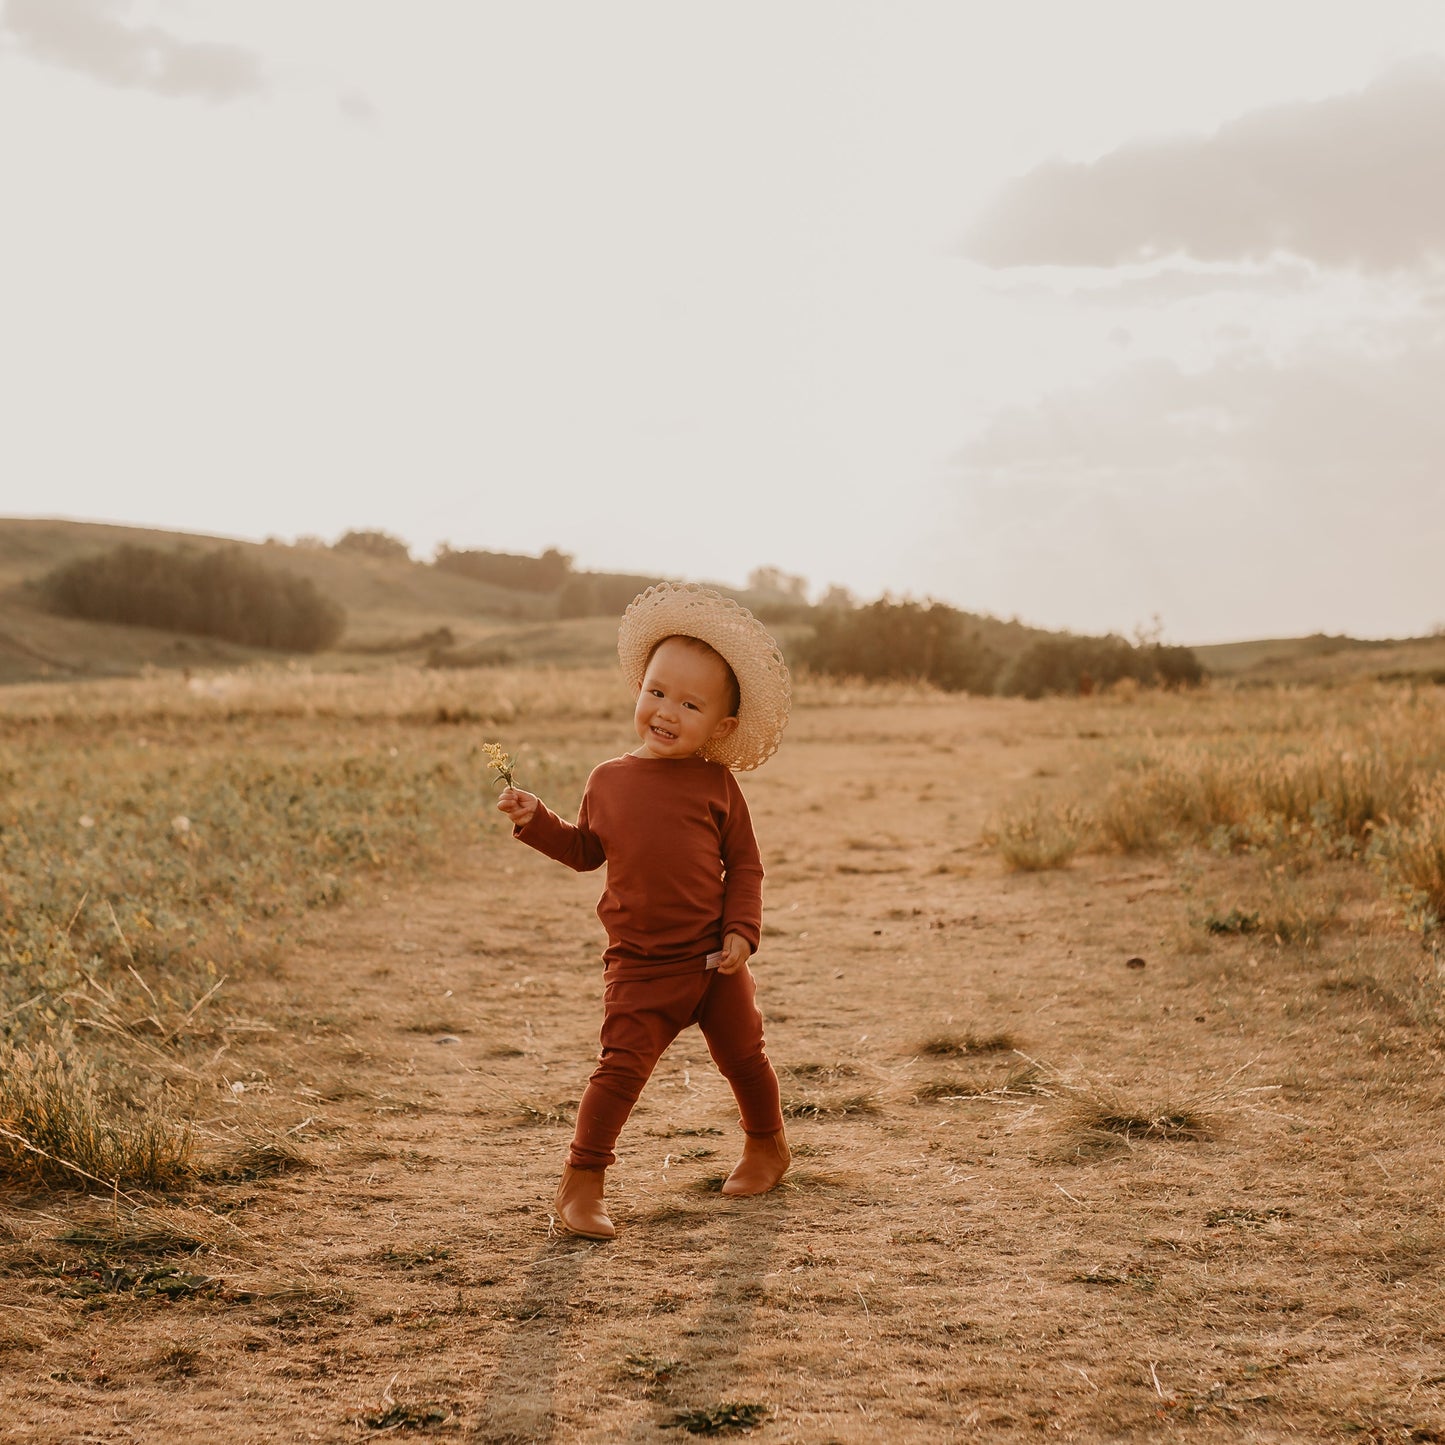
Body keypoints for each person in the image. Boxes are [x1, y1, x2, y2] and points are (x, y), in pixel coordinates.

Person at [497, 582, 792, 1240]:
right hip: (640, 965)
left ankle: (766, 1146)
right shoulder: (608, 780)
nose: (666, 712)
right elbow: (585, 851)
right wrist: (535, 820)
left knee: (746, 1057)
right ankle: (581, 1182)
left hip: (714, 962)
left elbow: (745, 865)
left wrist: (741, 932)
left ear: (721, 727)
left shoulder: (717, 784)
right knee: (619, 1070)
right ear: (638, 689)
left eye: (689, 704)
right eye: (656, 692)